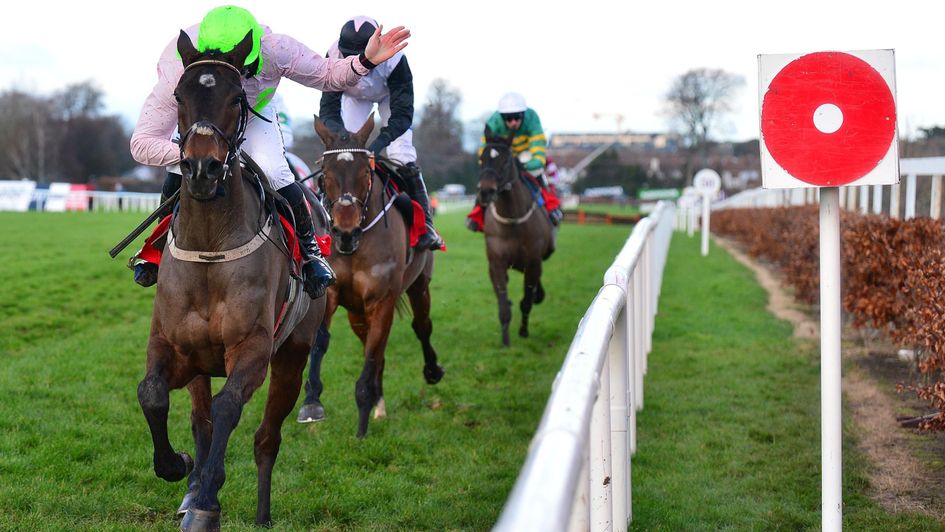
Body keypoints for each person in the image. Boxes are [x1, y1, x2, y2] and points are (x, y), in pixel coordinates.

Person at [128, 5, 409, 299]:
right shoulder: (176, 67)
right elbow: (142, 143)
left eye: (243, 67)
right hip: (204, 118)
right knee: (179, 169)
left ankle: (310, 253)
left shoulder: (277, 48)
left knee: (275, 172)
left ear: (255, 49)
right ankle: (156, 247)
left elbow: (327, 75)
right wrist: (194, 154)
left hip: (252, 113)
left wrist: (365, 61)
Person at [319, 16, 443, 251]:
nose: (358, 62)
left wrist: (375, 147)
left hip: (388, 98)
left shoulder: (395, 60)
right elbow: (328, 109)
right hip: (353, 98)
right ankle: (322, 218)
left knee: (402, 156)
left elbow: (402, 116)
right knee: (341, 156)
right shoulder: (333, 54)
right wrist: (345, 141)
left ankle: (427, 226)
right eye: (350, 57)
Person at [465, 92, 563, 232]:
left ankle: (551, 207)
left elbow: (538, 154)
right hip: (504, 154)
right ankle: (477, 213)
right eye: (508, 118)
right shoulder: (494, 121)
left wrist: (527, 165)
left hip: (525, 154)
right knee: (488, 177)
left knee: (536, 171)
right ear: (502, 117)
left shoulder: (532, 118)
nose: (513, 122)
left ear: (523, 115)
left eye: (517, 118)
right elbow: (484, 150)